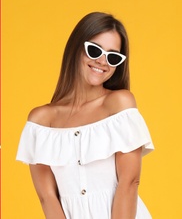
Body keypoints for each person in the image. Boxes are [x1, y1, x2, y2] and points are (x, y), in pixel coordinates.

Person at [16, 12, 153, 218]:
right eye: (94, 49)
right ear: (76, 48)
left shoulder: (119, 104)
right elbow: (47, 197)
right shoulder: (41, 121)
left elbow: (129, 182)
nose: (102, 61)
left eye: (113, 56)